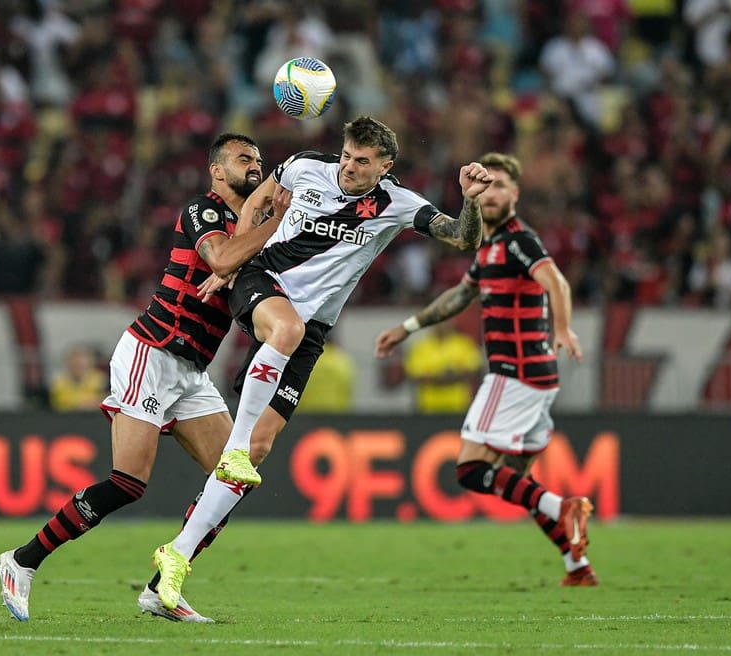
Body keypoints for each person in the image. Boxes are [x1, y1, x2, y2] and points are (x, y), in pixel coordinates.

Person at [151, 115, 489, 611]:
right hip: (263, 283)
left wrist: (472, 201)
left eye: (363, 162)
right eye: (348, 156)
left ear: (385, 166)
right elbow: (256, 207)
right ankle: (235, 449)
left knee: (261, 447)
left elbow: (463, 237)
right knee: (281, 339)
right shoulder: (304, 166)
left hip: (311, 332)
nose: (350, 168)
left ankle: (174, 561)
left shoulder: (396, 203)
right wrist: (233, 266)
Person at [0, 133, 289, 624]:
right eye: (243, 158)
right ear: (217, 170)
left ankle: (161, 587)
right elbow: (218, 258)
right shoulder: (205, 210)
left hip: (192, 371)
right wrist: (274, 222)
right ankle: (22, 561)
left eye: (259, 159)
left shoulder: (254, 229)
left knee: (233, 478)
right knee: (129, 482)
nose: (255, 165)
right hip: (151, 353)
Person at [375, 152, 597, 587]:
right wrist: (408, 328)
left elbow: (557, 282)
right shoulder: (490, 246)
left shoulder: (519, 240)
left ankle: (564, 508)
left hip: (513, 373)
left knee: (471, 470)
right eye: (486, 184)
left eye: (500, 186)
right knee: (518, 481)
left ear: (515, 193)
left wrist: (564, 328)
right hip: (537, 378)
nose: (491, 193)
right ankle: (577, 566)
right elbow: (460, 296)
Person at [402, 318, 483, 413]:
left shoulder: (464, 344)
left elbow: (474, 372)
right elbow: (415, 376)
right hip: (428, 407)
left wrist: (437, 376)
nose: (441, 325)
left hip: (458, 406)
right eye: (437, 322)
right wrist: (448, 377)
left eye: (444, 321)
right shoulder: (420, 347)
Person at [48, 344, 106, 412]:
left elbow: (107, 399)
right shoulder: (58, 384)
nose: (77, 367)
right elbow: (60, 402)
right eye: (75, 364)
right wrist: (83, 404)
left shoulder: (100, 380)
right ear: (68, 364)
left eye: (80, 365)